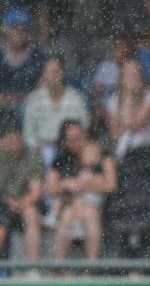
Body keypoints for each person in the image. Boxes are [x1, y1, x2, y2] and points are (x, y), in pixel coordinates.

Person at [50, 139, 117, 261]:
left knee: (88, 212)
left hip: (95, 204)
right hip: (78, 204)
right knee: (68, 213)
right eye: (87, 154)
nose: (90, 157)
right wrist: (69, 184)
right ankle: (59, 264)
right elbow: (57, 188)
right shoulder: (78, 171)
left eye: (93, 154)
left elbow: (108, 186)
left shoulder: (99, 171)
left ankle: (92, 263)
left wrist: (86, 184)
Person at [22, 56, 89, 166]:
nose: (54, 75)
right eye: (50, 72)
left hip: (71, 149)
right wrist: (39, 145)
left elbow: (84, 128)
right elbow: (28, 135)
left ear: (64, 73)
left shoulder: (76, 99)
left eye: (57, 71)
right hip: (41, 151)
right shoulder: (34, 100)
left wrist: (70, 143)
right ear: (44, 75)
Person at [0, 119, 43, 260]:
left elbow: (36, 192)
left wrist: (18, 204)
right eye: (10, 137)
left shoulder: (32, 155)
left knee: (32, 213)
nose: (14, 140)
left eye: (17, 136)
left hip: (25, 204)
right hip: (2, 204)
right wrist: (7, 202)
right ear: (2, 140)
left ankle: (34, 265)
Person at [0, 8, 47, 117]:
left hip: (31, 111)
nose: (19, 33)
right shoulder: (1, 54)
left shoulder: (38, 55)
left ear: (29, 32)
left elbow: (46, 83)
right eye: (15, 28)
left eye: (24, 29)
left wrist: (26, 99)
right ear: (6, 30)